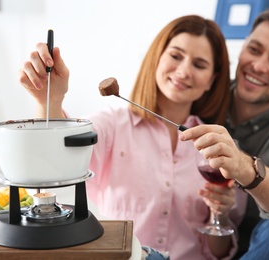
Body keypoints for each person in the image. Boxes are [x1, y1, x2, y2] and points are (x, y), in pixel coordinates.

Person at [19, 15, 247, 259]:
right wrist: (51, 100)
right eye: (175, 55)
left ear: (211, 81)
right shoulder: (112, 124)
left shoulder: (221, 147)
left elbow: (219, 254)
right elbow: (57, 164)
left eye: (199, 65)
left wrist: (220, 216)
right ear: (157, 58)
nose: (183, 71)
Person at [180, 6, 269, 259]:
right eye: (254, 50)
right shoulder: (203, 94)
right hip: (194, 248)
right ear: (243, 47)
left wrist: (246, 169)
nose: (258, 65)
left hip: (267, 250)